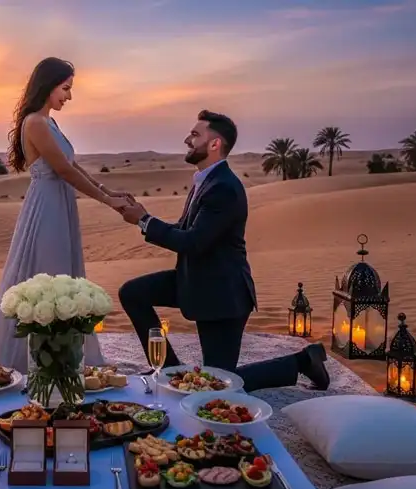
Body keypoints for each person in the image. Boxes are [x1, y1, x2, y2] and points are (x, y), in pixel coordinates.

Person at [117, 110, 330, 392]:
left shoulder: (224, 188)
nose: (187, 140)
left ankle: (303, 361)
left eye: (195, 135)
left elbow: (193, 242)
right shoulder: (205, 181)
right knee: (132, 293)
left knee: (219, 386)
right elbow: (185, 231)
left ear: (215, 144)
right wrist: (144, 217)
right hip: (194, 280)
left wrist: (144, 221)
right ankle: (169, 372)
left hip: (222, 295)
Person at [0, 57, 133, 373]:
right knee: (48, 276)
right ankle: (38, 364)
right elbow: (61, 170)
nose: (69, 96)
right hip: (47, 207)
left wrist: (107, 189)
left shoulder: (50, 122)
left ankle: (63, 358)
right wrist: (106, 201)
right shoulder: (34, 122)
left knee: (64, 275)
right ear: (48, 85)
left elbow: (71, 165)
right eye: (65, 88)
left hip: (60, 204)